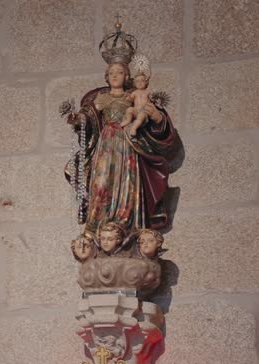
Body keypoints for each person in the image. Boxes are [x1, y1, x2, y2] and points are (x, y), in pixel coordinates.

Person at [65, 24, 184, 240]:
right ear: (106, 76)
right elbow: (89, 116)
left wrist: (156, 115)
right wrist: (77, 119)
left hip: (129, 143)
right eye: (111, 72)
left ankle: (127, 226)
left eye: (120, 72)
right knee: (101, 182)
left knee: (128, 183)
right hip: (107, 143)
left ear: (127, 74)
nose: (115, 75)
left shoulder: (135, 96)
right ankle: (95, 226)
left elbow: (157, 122)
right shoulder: (100, 98)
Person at [120, 54, 156, 136]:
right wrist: (128, 97)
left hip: (144, 111)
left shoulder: (147, 92)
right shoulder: (135, 92)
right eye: (137, 81)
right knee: (129, 110)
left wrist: (157, 100)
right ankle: (128, 120)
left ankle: (134, 128)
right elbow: (130, 100)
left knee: (141, 116)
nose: (140, 83)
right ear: (134, 83)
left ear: (146, 82)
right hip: (136, 110)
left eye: (142, 81)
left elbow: (153, 99)